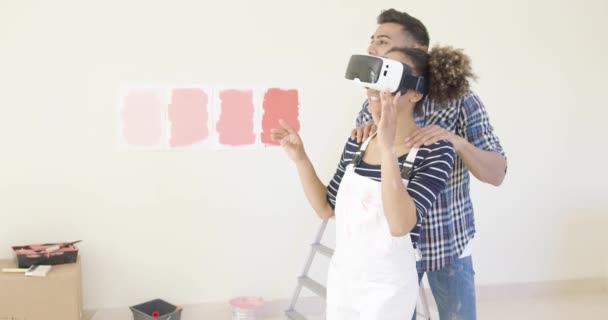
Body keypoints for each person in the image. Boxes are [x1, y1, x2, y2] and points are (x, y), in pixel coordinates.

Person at [272, 44, 476, 319]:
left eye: (388, 76)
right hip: (345, 280)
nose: (374, 86)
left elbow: (400, 224)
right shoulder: (359, 141)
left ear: (415, 92)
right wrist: (300, 158)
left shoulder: (435, 151)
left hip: (388, 289)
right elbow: (325, 208)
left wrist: (388, 147)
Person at [352, 9, 507, 320]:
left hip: (447, 244)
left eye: (383, 42)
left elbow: (497, 173)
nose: (371, 49)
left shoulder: (461, 101)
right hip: (391, 251)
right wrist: (364, 140)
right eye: (372, 41)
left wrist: (457, 142)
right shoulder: (372, 105)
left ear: (416, 51)